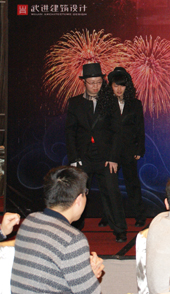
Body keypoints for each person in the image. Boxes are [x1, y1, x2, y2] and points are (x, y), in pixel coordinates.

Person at [11, 166, 104, 294]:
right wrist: (90, 277)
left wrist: (85, 275)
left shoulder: (30, 220)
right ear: (78, 200)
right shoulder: (72, 239)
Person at [65, 62, 127, 242]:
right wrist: (74, 158)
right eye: (92, 83)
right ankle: (74, 229)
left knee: (112, 192)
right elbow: (70, 132)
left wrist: (113, 158)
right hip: (83, 156)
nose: (95, 86)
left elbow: (117, 132)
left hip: (105, 157)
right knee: (78, 194)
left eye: (99, 82)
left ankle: (120, 229)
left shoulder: (110, 101)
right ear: (84, 82)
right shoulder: (75, 103)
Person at [99, 66, 147, 227]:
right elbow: (102, 130)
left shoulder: (135, 104)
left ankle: (139, 215)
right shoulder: (105, 103)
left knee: (132, 184)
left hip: (128, 150)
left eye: (122, 85)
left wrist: (139, 149)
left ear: (128, 86)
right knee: (109, 186)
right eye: (116, 85)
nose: (119, 89)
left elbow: (140, 128)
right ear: (111, 86)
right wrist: (106, 152)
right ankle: (107, 216)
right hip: (110, 151)